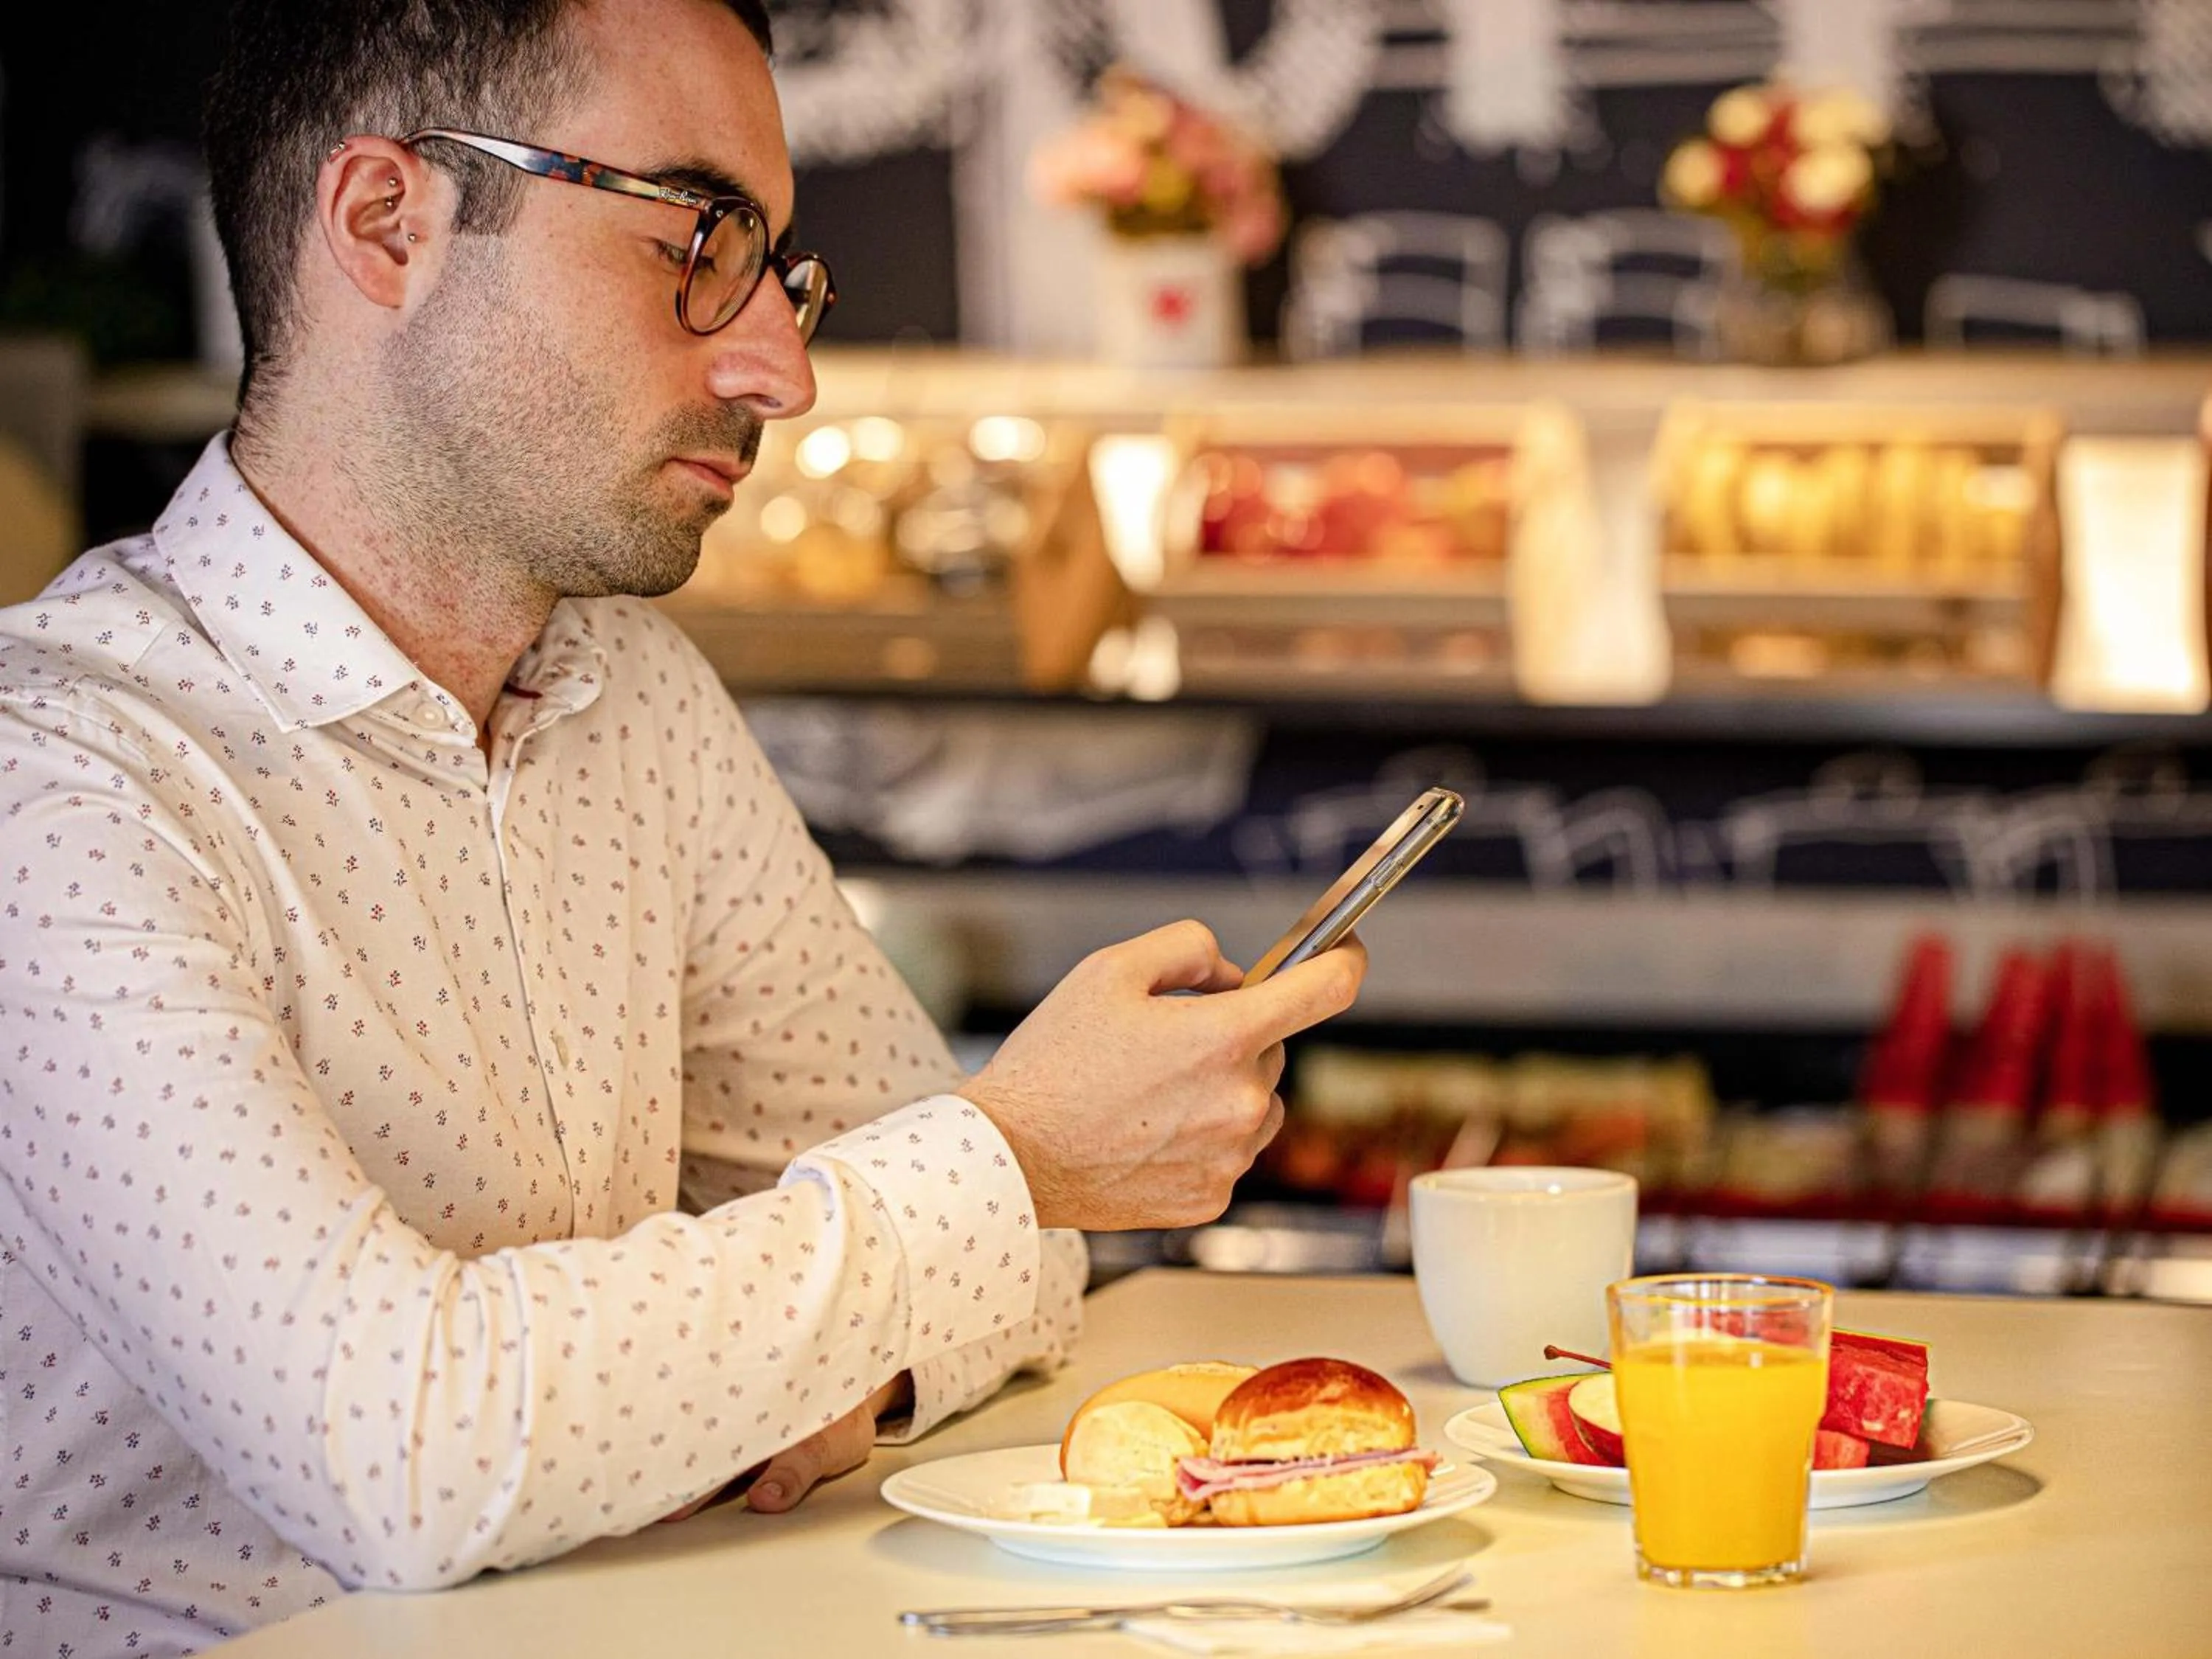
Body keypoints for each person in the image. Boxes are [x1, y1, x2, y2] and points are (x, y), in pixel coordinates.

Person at [0, 0, 1366, 1652]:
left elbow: (1008, 1279)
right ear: (388, 223)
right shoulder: (61, 770)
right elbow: (398, 1445)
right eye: (696, 241)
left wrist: (826, 1305)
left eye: (776, 270)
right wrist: (1008, 1163)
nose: (779, 368)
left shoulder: (628, 698)